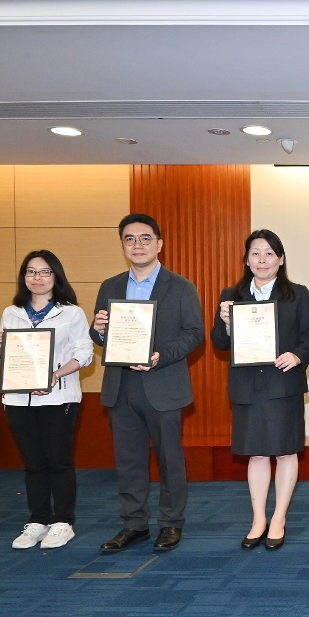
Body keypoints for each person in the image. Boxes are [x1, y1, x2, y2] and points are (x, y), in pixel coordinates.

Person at [91, 214, 204, 553]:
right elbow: (100, 335)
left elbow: (194, 333)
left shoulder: (180, 286)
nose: (137, 245)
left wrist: (160, 356)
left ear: (159, 244)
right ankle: (134, 523)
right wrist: (98, 330)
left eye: (145, 238)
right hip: (121, 385)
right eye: (129, 239)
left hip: (163, 384)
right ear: (122, 245)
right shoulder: (110, 286)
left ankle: (171, 523)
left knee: (170, 460)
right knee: (128, 461)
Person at [213, 229, 309, 552]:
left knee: (285, 452)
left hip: (283, 385)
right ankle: (258, 519)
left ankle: (279, 518)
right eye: (255, 253)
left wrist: (297, 355)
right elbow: (219, 343)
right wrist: (227, 323)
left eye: (269, 253)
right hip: (247, 387)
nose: (262, 260)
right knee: (256, 453)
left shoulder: (298, 294)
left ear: (281, 259)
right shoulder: (231, 296)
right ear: (246, 259)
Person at [0, 250, 94, 550]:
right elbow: (6, 357)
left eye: (45, 271)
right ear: (24, 276)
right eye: (31, 271)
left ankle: (63, 522)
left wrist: (54, 374)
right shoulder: (12, 312)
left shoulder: (71, 313)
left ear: (56, 276)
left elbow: (84, 354)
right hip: (18, 399)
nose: (37, 277)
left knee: (58, 461)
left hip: (58, 397)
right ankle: (38, 519)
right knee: (33, 463)